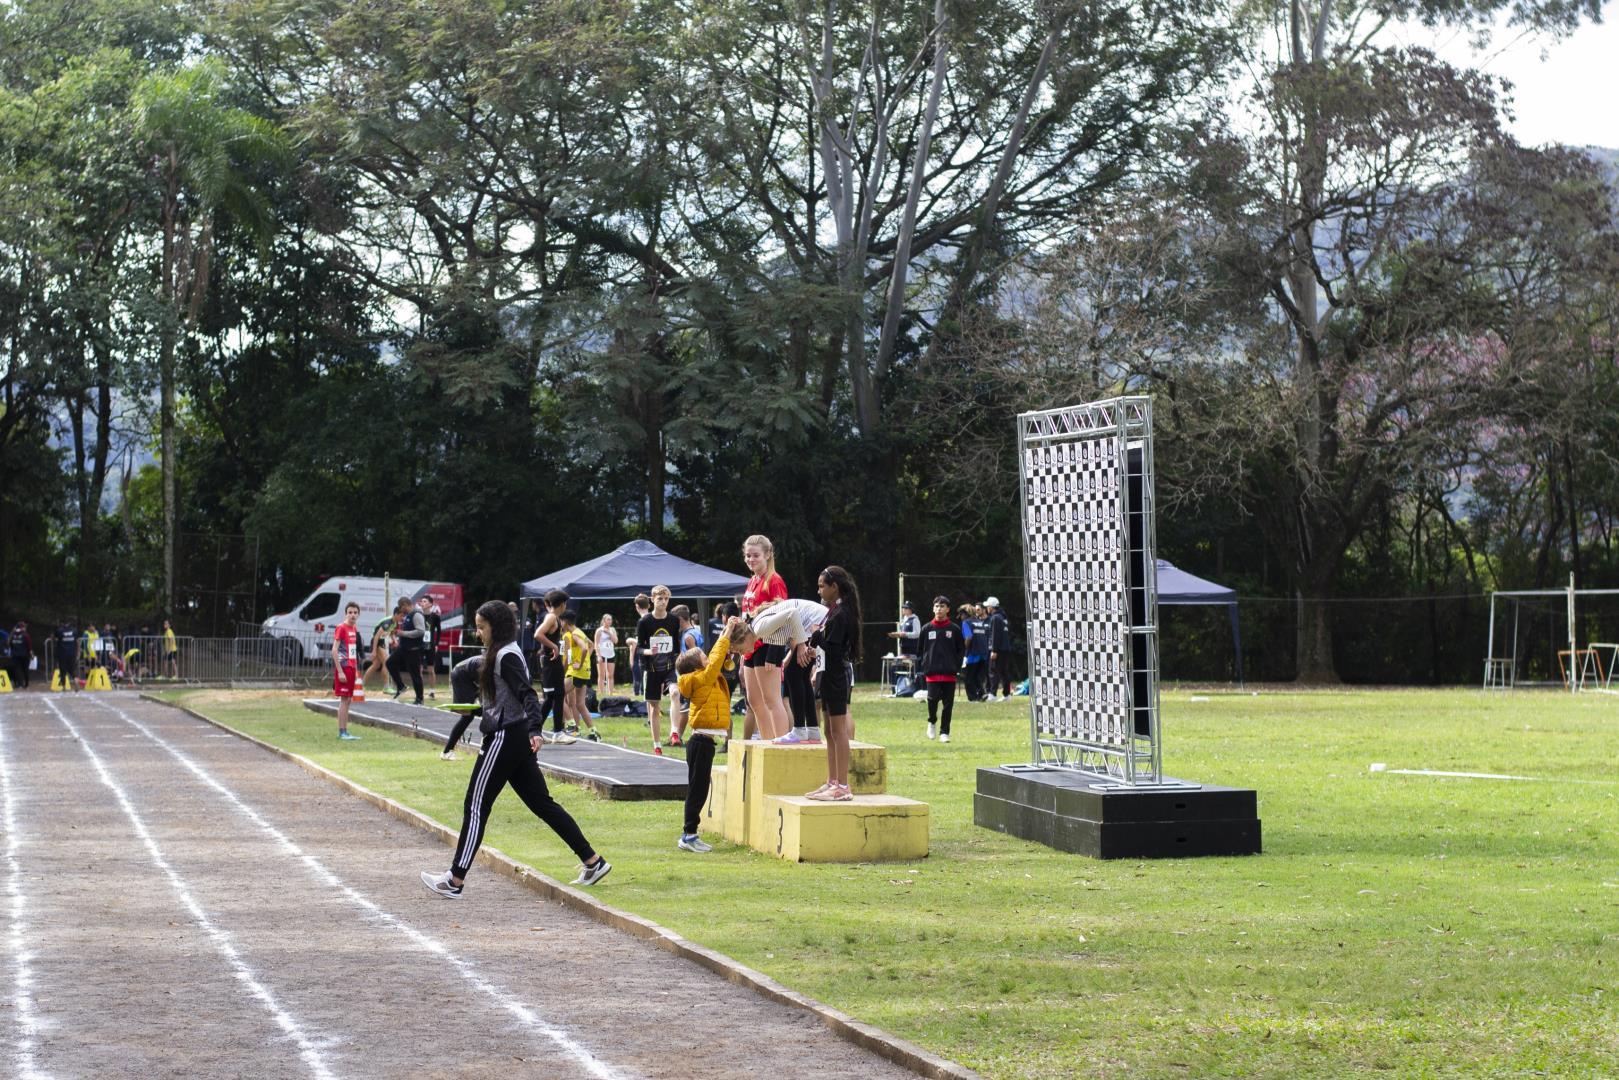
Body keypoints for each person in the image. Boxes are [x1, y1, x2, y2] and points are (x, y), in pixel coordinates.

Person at [421, 600, 611, 898]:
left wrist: (536, 729)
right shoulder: (500, 653)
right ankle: (592, 861)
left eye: (482, 627)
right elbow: (506, 697)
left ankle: (455, 879)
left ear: (495, 627)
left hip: (505, 737)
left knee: (475, 806)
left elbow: (528, 695)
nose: (478, 633)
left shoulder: (506, 656)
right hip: (514, 734)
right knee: (542, 804)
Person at [673, 615, 745, 852]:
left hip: (704, 742)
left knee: (699, 788)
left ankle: (690, 833)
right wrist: (727, 631)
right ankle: (689, 835)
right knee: (697, 790)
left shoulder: (704, 678)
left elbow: (716, 658)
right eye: (703, 657)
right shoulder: (701, 678)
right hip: (700, 743)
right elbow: (714, 661)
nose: (708, 658)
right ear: (697, 666)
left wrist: (727, 632)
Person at [806, 567, 861, 801]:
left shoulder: (841, 614)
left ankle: (843, 786)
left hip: (837, 677)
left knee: (838, 732)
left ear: (834, 586)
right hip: (827, 675)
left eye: (822, 586)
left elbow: (836, 650)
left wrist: (818, 638)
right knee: (828, 730)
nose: (819, 590)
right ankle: (832, 781)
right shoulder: (833, 611)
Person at [746, 596, 828, 745]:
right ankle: (813, 730)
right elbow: (790, 634)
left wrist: (802, 644)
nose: (742, 653)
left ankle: (799, 731)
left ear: (742, 638)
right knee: (801, 676)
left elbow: (793, 614)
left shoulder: (759, 627)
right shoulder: (762, 628)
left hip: (816, 622)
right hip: (816, 622)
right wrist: (797, 649)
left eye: (739, 649)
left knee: (793, 675)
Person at [740, 534, 791, 741]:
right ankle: (767, 741)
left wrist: (774, 652)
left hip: (768, 645)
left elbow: (784, 616)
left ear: (768, 555)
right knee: (754, 700)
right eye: (748, 556)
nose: (751, 560)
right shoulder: (753, 580)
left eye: (756, 556)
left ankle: (781, 743)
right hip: (751, 647)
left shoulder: (774, 581)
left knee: (772, 699)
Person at [636, 585, 681, 754]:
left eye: (666, 599)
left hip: (669, 666)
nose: (663, 602)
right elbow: (639, 647)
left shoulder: (673, 620)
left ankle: (674, 731)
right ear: (652, 600)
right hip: (652, 668)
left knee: (676, 693)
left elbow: (676, 646)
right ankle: (657, 745)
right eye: (660, 599)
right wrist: (648, 651)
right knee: (654, 707)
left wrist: (679, 661)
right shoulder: (645, 622)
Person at [531, 590, 576, 744]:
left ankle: (538, 730)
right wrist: (554, 647)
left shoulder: (553, 617)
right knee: (555, 696)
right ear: (563, 604)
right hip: (550, 660)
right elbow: (538, 634)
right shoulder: (551, 617)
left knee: (553, 697)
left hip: (552, 661)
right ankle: (556, 732)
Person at [917, 596, 965, 742]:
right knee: (932, 700)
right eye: (937, 606)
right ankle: (931, 722)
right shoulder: (926, 629)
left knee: (948, 704)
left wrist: (956, 666)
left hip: (949, 673)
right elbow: (920, 651)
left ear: (948, 609)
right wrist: (925, 666)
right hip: (932, 673)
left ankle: (945, 732)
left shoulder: (954, 629)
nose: (939, 609)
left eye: (942, 606)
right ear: (933, 608)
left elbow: (960, 650)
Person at [665, 605, 704, 747]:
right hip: (692, 673)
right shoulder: (695, 631)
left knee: (687, 708)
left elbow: (695, 656)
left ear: (680, 620)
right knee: (685, 707)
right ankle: (677, 737)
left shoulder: (688, 637)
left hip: (690, 674)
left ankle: (685, 736)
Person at [559, 610, 598, 741]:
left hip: (576, 671)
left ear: (565, 621)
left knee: (557, 695)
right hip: (585, 672)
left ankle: (571, 725)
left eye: (561, 621)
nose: (560, 624)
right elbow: (591, 645)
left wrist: (579, 664)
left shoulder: (574, 634)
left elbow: (585, 648)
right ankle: (593, 732)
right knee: (580, 704)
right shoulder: (580, 632)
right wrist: (585, 661)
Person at [387, 596, 427, 704]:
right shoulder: (408, 615)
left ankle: (420, 699)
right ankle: (401, 686)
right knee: (390, 663)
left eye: (401, 607)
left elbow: (420, 631)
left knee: (415, 674)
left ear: (405, 605)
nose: (400, 610)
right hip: (404, 648)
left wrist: (403, 633)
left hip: (414, 649)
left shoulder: (417, 614)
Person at [331, 601, 363, 740]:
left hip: (351, 667)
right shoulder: (341, 628)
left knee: (348, 699)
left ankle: (345, 731)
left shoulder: (354, 629)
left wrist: (355, 668)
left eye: (355, 613)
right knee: (344, 700)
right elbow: (334, 650)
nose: (353, 615)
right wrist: (340, 671)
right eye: (350, 612)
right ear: (346, 613)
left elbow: (353, 650)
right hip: (343, 667)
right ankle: (341, 732)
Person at [986, 596, 1013, 699]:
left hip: (998, 649)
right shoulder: (1003, 617)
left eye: (988, 606)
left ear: (992, 607)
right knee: (1004, 672)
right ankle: (1007, 695)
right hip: (1005, 649)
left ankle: (992, 694)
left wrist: (994, 650)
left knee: (993, 671)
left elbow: (995, 635)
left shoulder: (995, 618)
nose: (987, 608)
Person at [962, 602, 990, 702]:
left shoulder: (966, 622)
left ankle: (972, 698)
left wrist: (963, 648)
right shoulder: (979, 622)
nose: (960, 617)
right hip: (983, 654)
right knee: (977, 676)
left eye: (961, 614)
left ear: (965, 614)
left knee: (969, 677)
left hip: (972, 654)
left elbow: (969, 637)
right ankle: (982, 694)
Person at [628, 593, 651, 697]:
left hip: (645, 655)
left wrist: (630, 639)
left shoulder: (642, 621)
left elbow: (641, 642)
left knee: (646, 688)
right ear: (649, 605)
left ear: (637, 607)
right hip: (654, 654)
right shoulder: (654, 618)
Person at [422, 596, 443, 699]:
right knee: (419, 669)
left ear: (430, 604)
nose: (422, 603)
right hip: (420, 646)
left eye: (425, 601)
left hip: (430, 645)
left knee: (431, 669)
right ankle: (419, 691)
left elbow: (439, 631)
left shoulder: (435, 617)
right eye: (421, 601)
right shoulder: (419, 615)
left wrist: (436, 644)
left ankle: (432, 692)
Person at [594, 613, 619, 698]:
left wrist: (609, 633)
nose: (610, 621)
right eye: (608, 619)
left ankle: (610, 693)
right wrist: (598, 655)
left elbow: (615, 641)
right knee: (601, 675)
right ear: (604, 620)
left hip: (611, 654)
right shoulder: (599, 630)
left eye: (611, 619)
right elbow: (596, 644)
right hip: (602, 654)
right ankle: (601, 693)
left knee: (610, 675)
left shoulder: (612, 629)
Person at [54, 621, 78, 690]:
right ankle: (75, 679)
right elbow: (77, 641)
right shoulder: (74, 630)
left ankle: (64, 686)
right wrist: (77, 652)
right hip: (72, 653)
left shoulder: (60, 631)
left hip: (62, 653)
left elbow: (55, 638)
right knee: (72, 669)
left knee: (62, 670)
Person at [9, 621, 31, 689]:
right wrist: (29, 652)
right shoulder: (26, 635)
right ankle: (26, 684)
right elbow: (29, 645)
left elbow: (10, 644)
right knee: (25, 669)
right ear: (22, 627)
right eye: (24, 627)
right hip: (24, 655)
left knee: (17, 669)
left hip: (15, 655)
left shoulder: (13, 635)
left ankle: (19, 684)